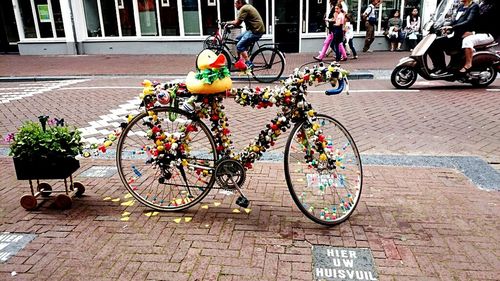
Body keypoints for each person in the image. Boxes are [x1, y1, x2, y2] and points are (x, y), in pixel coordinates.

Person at [428, 0, 479, 75]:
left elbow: (469, 21)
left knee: (436, 44)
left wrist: (452, 27)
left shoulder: (474, 6)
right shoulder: (461, 6)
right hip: (456, 34)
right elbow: (455, 21)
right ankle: (438, 67)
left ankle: (442, 68)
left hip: (463, 36)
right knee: (432, 44)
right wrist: (444, 26)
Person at [459, 0, 499, 72]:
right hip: (478, 32)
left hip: (489, 34)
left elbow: (488, 24)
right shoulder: (482, 4)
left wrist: (473, 33)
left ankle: (468, 64)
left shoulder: (494, 6)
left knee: (467, 40)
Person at [226, 0, 265, 70]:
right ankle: (240, 60)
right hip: (253, 29)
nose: (235, 5)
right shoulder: (247, 7)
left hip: (255, 31)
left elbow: (237, 23)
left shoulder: (244, 8)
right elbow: (238, 22)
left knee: (239, 46)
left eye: (235, 3)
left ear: (240, 3)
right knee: (237, 39)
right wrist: (231, 25)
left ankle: (248, 63)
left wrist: (227, 23)